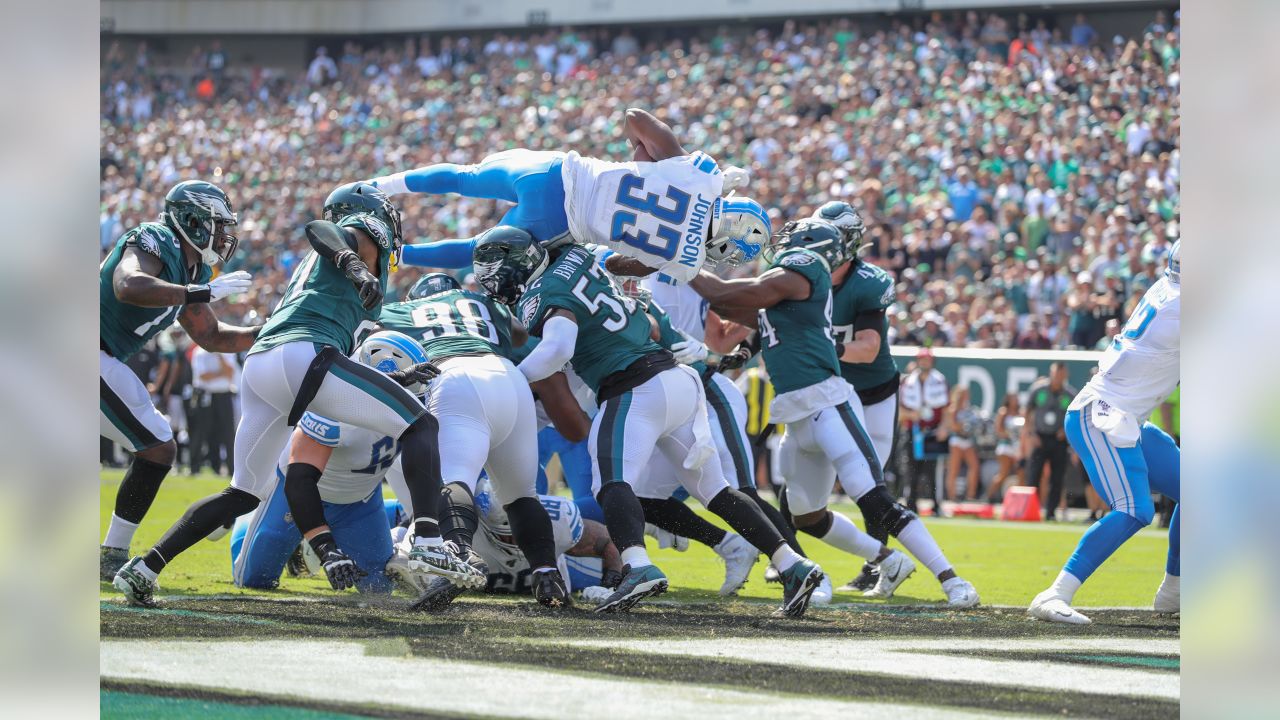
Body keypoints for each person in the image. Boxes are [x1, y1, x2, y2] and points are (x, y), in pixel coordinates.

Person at [112, 182, 473, 607]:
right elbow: (321, 229)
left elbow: (353, 358)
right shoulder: (358, 234)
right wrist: (354, 265)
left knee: (242, 492)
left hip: (265, 362)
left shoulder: (320, 271)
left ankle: (144, 568)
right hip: (304, 354)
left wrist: (399, 375)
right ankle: (430, 541)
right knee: (421, 424)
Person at [473, 226, 824, 616]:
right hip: (677, 380)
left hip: (633, 386)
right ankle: (793, 564)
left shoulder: (542, 293)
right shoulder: (582, 259)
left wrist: (511, 381)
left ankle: (638, 567)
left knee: (609, 482)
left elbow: (557, 347)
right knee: (717, 491)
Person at [693, 219, 978, 607]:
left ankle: (953, 580)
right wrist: (687, 288)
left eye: (794, 237)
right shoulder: (778, 291)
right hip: (796, 417)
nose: (784, 241)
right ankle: (887, 560)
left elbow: (723, 291)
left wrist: (679, 258)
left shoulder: (804, 271)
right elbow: (720, 320)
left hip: (829, 406)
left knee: (876, 502)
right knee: (805, 516)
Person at [369, 108, 769, 282]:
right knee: (478, 250)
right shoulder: (685, 264)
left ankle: (382, 186)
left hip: (557, 174)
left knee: (466, 177)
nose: (726, 259)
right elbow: (619, 266)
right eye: (733, 252)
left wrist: (648, 167)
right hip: (559, 224)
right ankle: (395, 256)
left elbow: (636, 118)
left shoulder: (704, 177)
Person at [377, 272, 569, 608]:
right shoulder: (483, 302)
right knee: (522, 494)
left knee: (453, 478)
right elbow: (520, 333)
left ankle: (460, 556)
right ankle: (547, 573)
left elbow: (374, 343)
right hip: (509, 376)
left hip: (454, 376)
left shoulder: (401, 311)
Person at [99, 180, 258, 580]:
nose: (224, 236)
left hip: (101, 357)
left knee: (156, 446)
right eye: (218, 225)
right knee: (157, 446)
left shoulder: (194, 270)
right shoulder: (154, 238)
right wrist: (198, 290)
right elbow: (127, 285)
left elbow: (212, 336)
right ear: (192, 220)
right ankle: (112, 553)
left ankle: (111, 552)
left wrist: (275, 331)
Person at [1030, 242, 1180, 624]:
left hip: (1124, 414)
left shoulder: (1170, 291)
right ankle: (1054, 594)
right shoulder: (1179, 308)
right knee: (1135, 509)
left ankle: (1174, 593)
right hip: (1102, 414)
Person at [227, 332, 431, 595]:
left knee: (378, 590)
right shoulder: (336, 409)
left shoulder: (422, 405)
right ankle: (246, 520)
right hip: (292, 494)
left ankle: (397, 525)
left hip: (360, 502)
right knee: (254, 579)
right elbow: (299, 481)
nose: (409, 402)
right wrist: (325, 547)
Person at [814, 201, 904, 591]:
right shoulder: (802, 275)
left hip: (873, 392)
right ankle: (784, 557)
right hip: (831, 390)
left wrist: (820, 348)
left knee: (869, 488)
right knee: (801, 475)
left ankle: (878, 566)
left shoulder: (867, 283)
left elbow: (867, 349)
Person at [406, 477, 624, 609]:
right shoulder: (465, 531)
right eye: (505, 536)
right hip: (492, 562)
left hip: (565, 575)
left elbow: (606, 542)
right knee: (406, 529)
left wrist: (611, 581)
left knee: (613, 512)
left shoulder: (559, 520)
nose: (516, 541)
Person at [1024, 362, 1078, 520]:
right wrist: (1031, 433)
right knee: (1034, 475)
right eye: (1056, 374)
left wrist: (1065, 431)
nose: (1058, 377)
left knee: (1057, 477)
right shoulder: (1039, 390)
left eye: (1061, 374)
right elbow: (1027, 411)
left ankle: (1051, 512)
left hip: (1058, 440)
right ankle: (1031, 509)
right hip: (1040, 437)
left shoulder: (1070, 395)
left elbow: (1075, 417)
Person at [899, 348, 949, 515]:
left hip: (932, 432)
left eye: (927, 360)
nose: (924, 363)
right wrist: (911, 414)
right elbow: (899, 409)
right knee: (910, 470)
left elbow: (947, 408)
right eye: (922, 359)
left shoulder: (939, 380)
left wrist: (944, 427)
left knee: (932, 471)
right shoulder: (908, 382)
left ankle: (936, 505)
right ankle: (911, 505)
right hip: (912, 430)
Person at [189, 345, 238, 475]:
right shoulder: (199, 352)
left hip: (224, 395)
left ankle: (230, 469)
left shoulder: (226, 351)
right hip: (205, 395)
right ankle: (195, 468)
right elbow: (204, 376)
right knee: (201, 432)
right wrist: (221, 372)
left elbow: (230, 372)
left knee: (228, 433)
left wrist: (219, 356)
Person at [943, 386, 982, 502]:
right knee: (954, 469)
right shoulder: (953, 409)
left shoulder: (969, 410)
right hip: (957, 441)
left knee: (974, 466)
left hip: (967, 440)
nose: (967, 396)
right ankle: (952, 496)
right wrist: (963, 426)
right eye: (964, 394)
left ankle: (971, 495)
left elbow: (974, 424)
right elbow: (952, 426)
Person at [985, 393, 1025, 503]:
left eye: (1017, 398)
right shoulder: (1004, 412)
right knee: (1003, 473)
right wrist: (1010, 434)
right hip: (1005, 446)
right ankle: (989, 496)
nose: (1015, 401)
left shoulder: (1021, 412)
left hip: (1017, 448)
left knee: (1021, 473)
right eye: (1013, 398)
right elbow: (998, 430)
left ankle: (1019, 501)